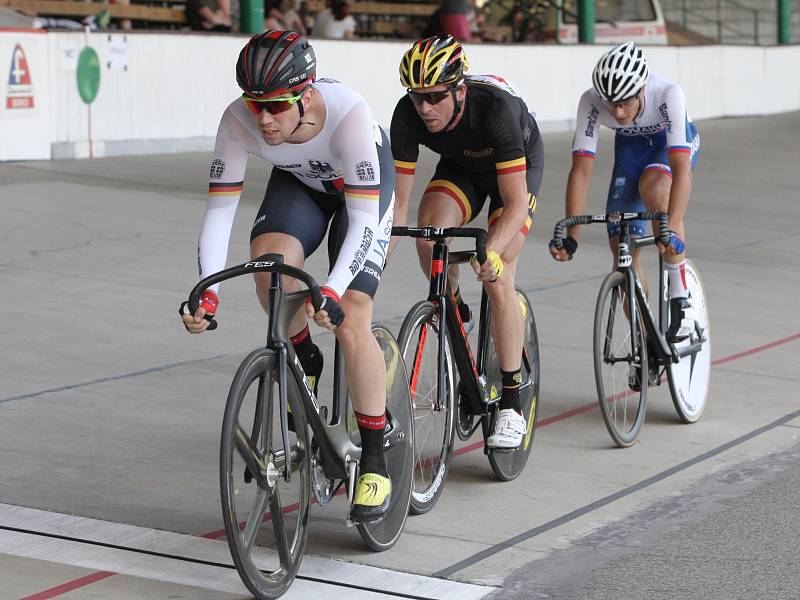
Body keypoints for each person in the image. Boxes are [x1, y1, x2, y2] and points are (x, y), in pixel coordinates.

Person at [181, 31, 395, 523]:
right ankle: (304, 354)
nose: (263, 120)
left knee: (352, 317)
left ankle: (376, 460)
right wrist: (207, 292)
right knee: (269, 268)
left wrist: (335, 291)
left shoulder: (349, 115)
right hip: (302, 187)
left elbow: (362, 221)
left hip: (360, 197)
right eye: (255, 105)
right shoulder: (238, 121)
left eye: (276, 106)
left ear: (307, 93)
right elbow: (220, 212)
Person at [390, 35, 544, 449]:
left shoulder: (495, 112)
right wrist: (377, 254)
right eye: (417, 97)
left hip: (514, 173)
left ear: (459, 91)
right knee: (429, 234)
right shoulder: (406, 116)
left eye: (436, 98)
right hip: (462, 170)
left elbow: (514, 205)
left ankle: (512, 400)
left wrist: (491, 251)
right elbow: (398, 204)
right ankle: (455, 309)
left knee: (497, 276)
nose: (425, 108)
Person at [549, 41, 700, 347]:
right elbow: (581, 170)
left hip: (666, 146)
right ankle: (648, 347)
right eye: (610, 103)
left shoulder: (668, 94)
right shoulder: (590, 102)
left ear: (642, 89)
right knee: (622, 254)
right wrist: (572, 236)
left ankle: (680, 300)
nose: (617, 112)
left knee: (655, 188)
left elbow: (682, 170)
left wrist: (672, 225)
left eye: (624, 103)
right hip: (630, 155)